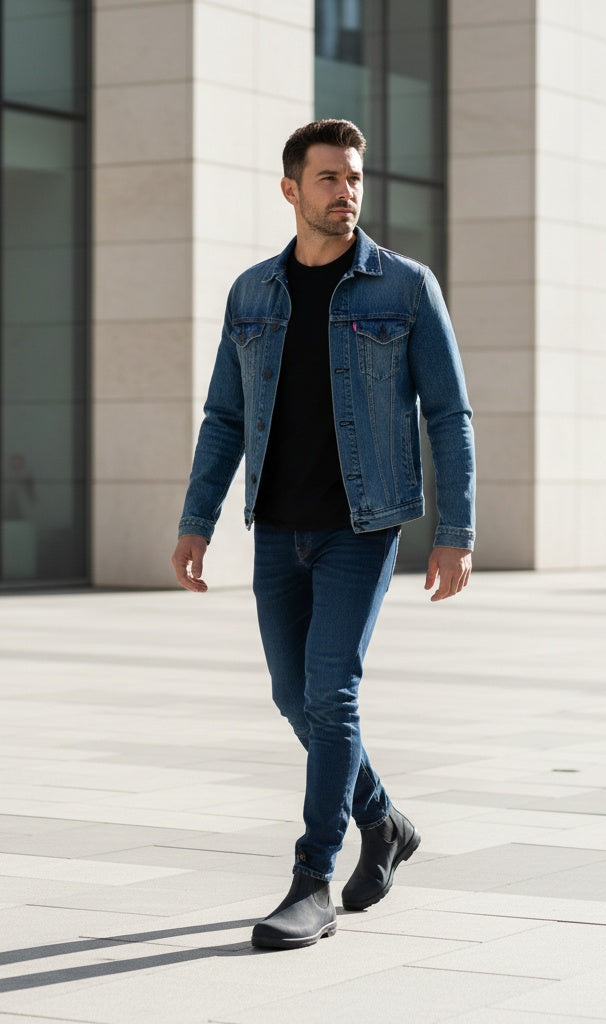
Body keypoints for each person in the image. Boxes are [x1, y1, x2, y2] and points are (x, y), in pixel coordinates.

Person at [171, 119, 475, 950]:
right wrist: (197, 520)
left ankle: (313, 881)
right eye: (329, 178)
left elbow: (449, 414)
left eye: (354, 178)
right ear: (291, 189)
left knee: (331, 692)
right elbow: (224, 416)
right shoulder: (252, 293)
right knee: (291, 695)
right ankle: (385, 822)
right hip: (277, 527)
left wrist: (455, 530)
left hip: (362, 524)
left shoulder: (405, 287)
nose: (347, 192)